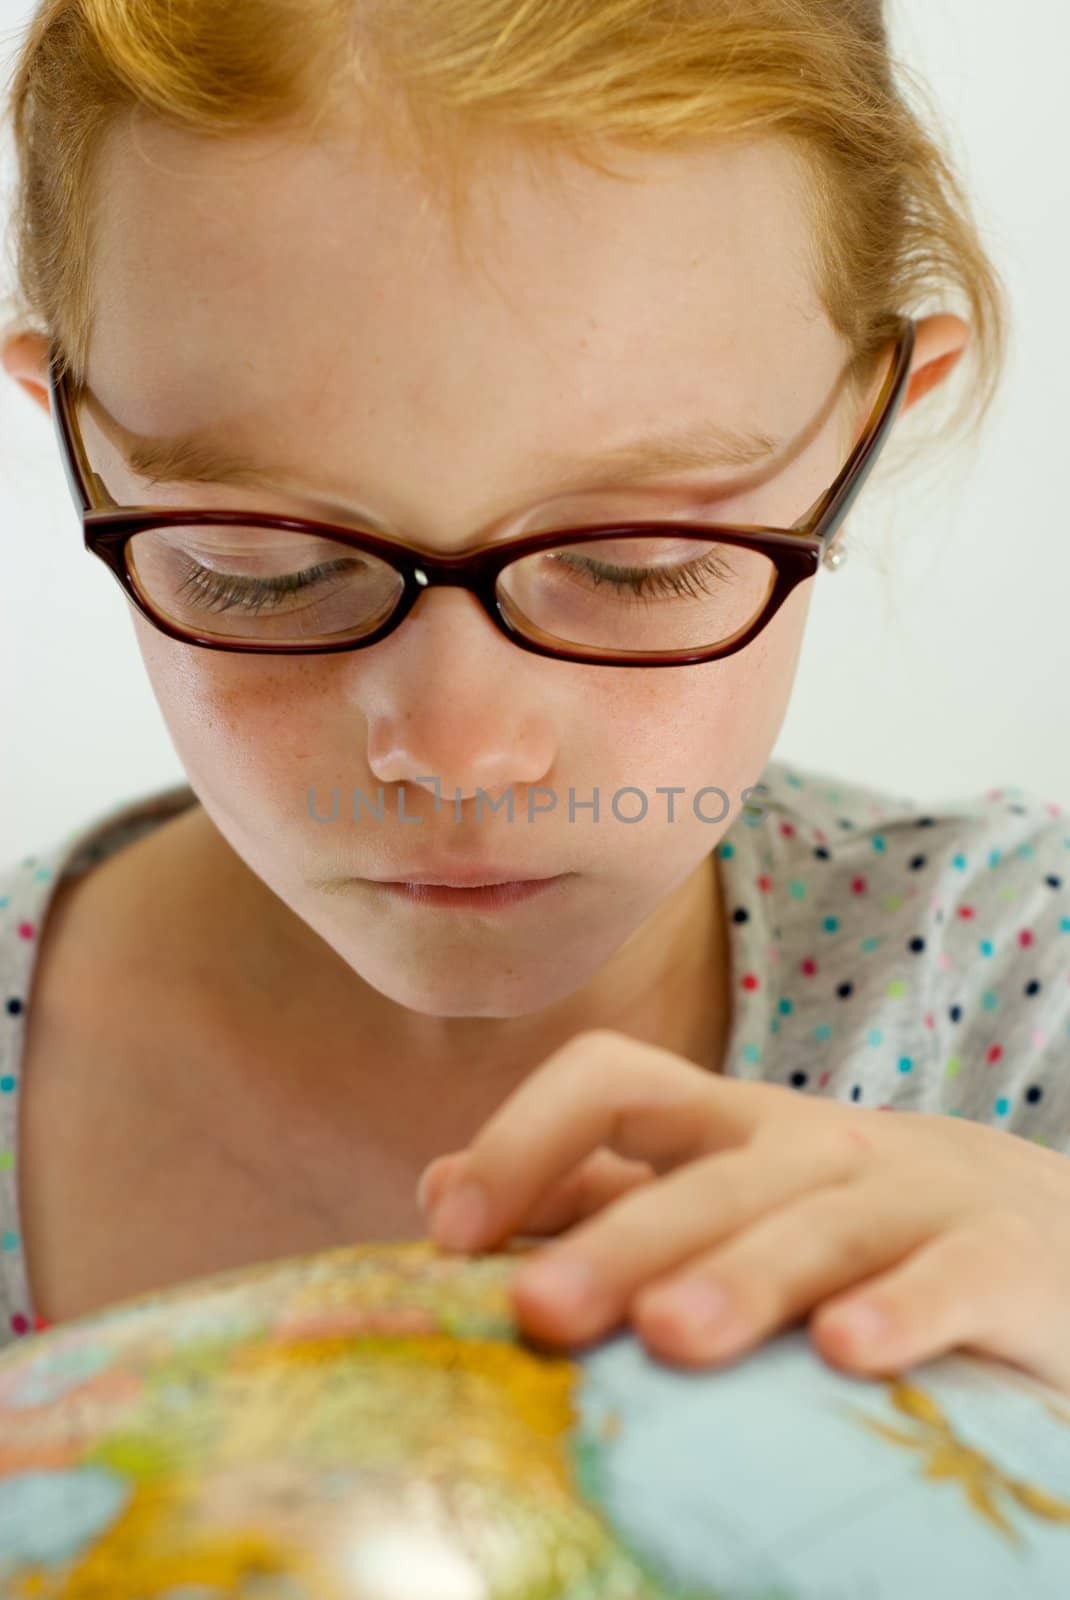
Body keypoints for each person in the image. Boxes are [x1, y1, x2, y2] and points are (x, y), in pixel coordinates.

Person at [1, 0, 1067, 1390]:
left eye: (638, 563)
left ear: (869, 423)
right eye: (259, 567)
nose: (456, 752)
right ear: (76, 441)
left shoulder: (1012, 996)